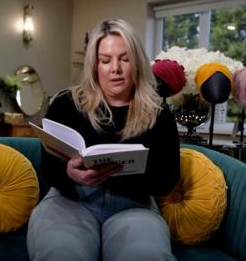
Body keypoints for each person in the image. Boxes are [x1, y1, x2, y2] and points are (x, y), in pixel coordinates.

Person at [27, 18, 180, 261]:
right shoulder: (66, 104)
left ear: (137, 62)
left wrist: (113, 175)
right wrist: (69, 173)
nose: (115, 69)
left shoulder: (159, 114)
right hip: (70, 202)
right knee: (61, 254)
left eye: (125, 59)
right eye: (105, 60)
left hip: (133, 207)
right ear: (94, 65)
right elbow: (48, 168)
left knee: (147, 256)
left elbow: (166, 181)